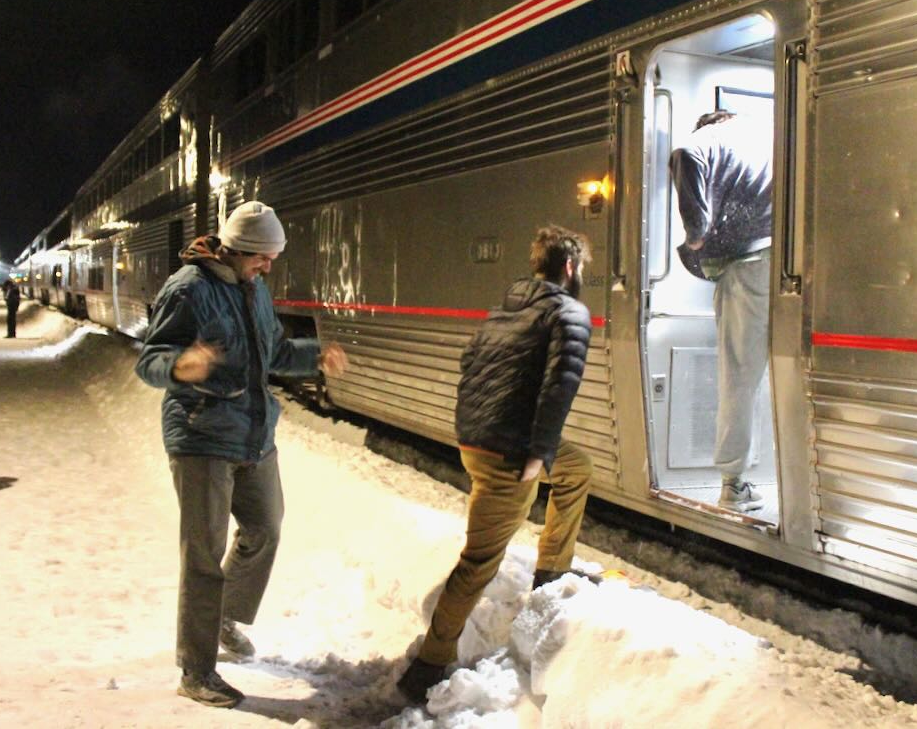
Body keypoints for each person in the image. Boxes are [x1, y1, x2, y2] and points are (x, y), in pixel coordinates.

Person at [135, 200, 348, 709]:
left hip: (254, 432)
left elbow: (272, 353)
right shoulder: (188, 289)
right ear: (235, 250)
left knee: (265, 527)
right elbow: (150, 361)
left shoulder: (253, 288)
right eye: (262, 257)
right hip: (202, 434)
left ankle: (223, 616)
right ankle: (197, 668)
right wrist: (182, 365)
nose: (268, 266)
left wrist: (314, 356)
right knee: (203, 553)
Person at [397, 225, 596, 703]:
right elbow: (559, 385)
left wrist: (487, 438)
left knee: (576, 469)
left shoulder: (502, 311)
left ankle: (552, 570)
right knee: (479, 562)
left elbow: (469, 370)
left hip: (484, 440)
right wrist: (537, 453)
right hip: (509, 451)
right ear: (569, 268)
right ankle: (428, 664)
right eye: (582, 267)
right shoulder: (569, 311)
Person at [669, 110, 772, 513]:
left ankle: (733, 482)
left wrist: (696, 234)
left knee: (739, 373)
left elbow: (685, 155)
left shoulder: (701, 144)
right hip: (785, 260)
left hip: (748, 268)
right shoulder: (766, 137)